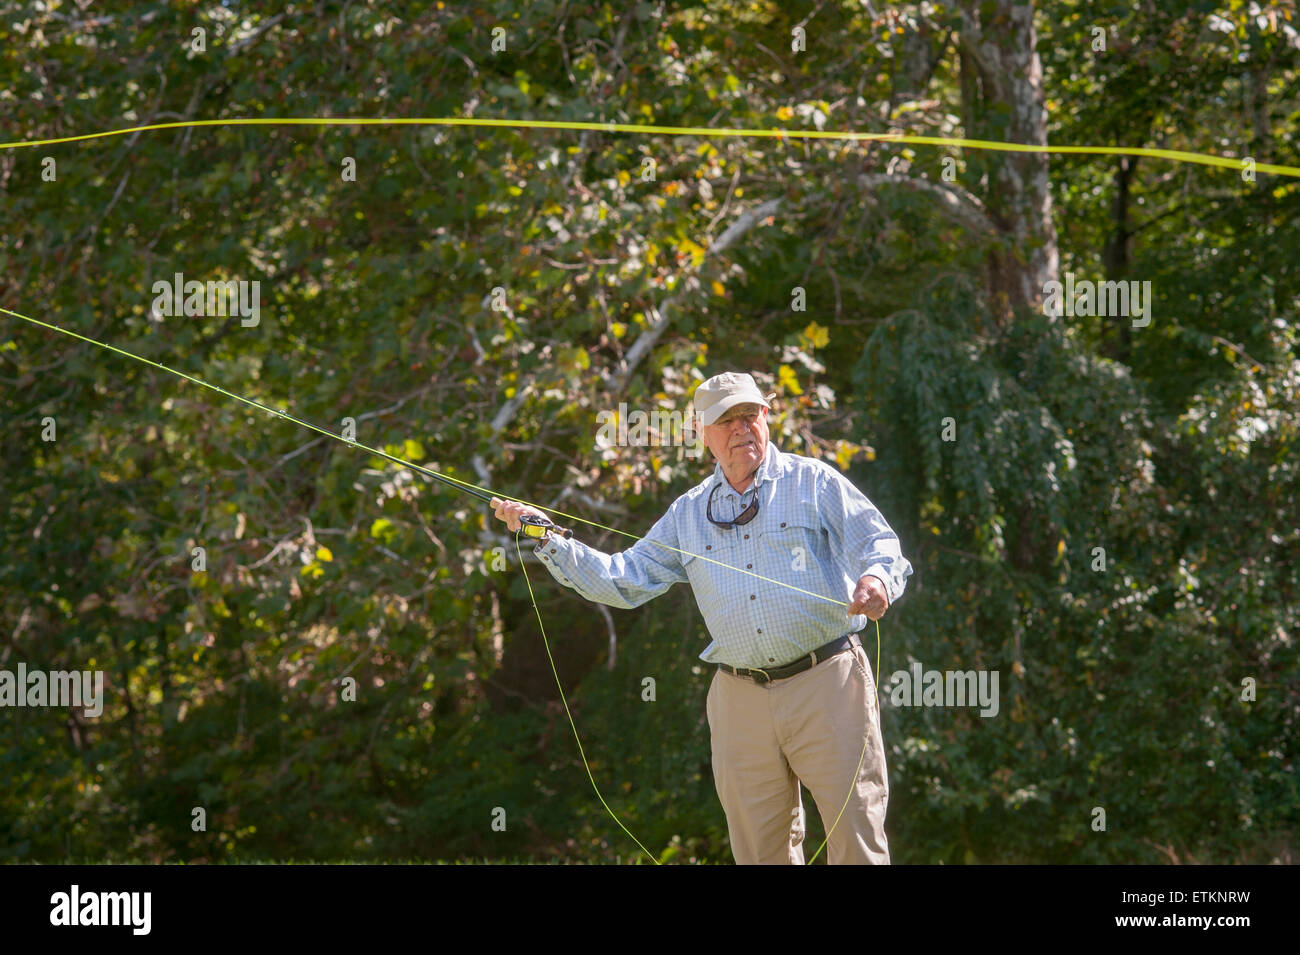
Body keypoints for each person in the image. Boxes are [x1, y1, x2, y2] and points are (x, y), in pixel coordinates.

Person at [491, 371, 912, 864]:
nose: (740, 428)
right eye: (725, 420)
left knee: (856, 842)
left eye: (748, 415)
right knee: (759, 854)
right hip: (739, 699)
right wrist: (548, 539)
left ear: (766, 417)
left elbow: (880, 545)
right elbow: (623, 580)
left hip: (829, 683)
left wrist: (878, 580)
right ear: (701, 432)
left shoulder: (813, 482)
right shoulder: (688, 514)